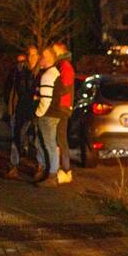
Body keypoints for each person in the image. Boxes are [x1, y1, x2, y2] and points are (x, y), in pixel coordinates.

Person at [34, 47, 65, 186]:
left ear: (47, 59)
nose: (40, 59)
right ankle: (49, 172)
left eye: (42, 57)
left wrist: (38, 113)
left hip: (47, 115)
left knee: (49, 145)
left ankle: (52, 175)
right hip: (53, 114)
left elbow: (46, 99)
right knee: (47, 144)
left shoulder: (47, 75)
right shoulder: (55, 73)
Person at [6, 47, 38, 179]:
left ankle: (37, 166)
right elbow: (12, 89)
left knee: (34, 140)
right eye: (29, 55)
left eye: (33, 55)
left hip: (34, 111)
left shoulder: (39, 72)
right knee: (17, 137)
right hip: (20, 109)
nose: (31, 58)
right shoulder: (20, 71)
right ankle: (14, 165)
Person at [52, 42, 75, 184]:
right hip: (61, 106)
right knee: (59, 138)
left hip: (62, 107)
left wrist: (53, 95)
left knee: (61, 139)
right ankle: (61, 168)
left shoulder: (64, 66)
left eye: (55, 51)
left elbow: (64, 87)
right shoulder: (62, 65)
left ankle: (66, 169)